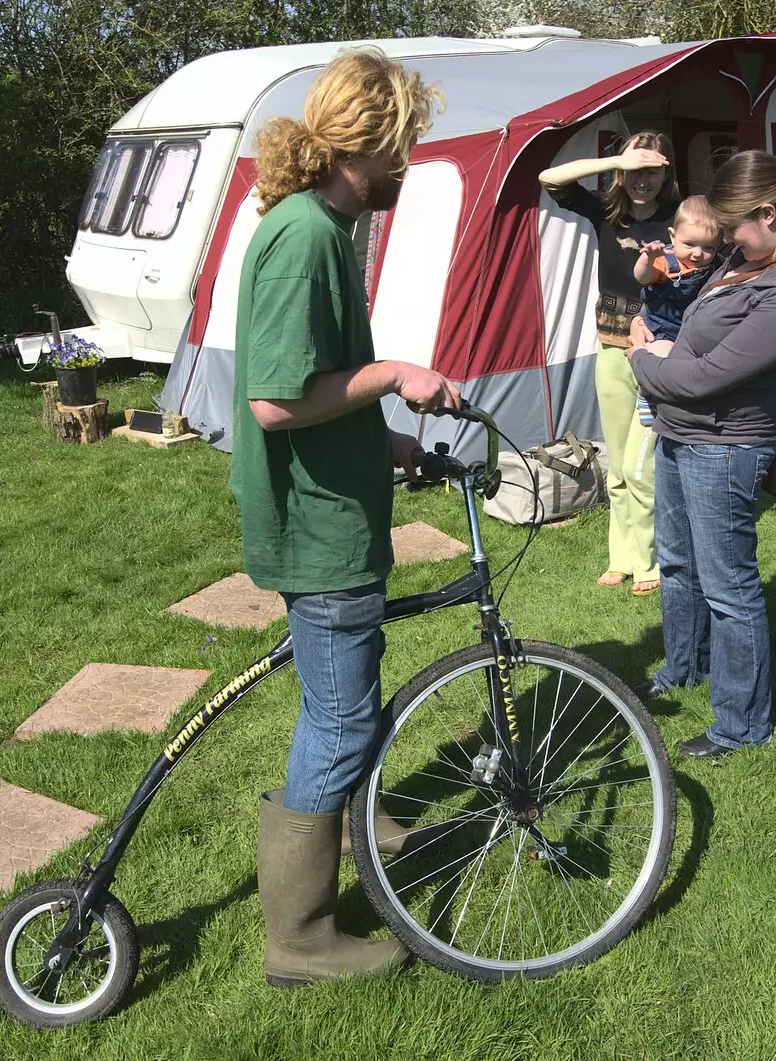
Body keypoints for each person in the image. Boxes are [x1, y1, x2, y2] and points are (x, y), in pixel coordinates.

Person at [229, 49, 460, 986]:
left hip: (334, 500)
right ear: (371, 142)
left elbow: (320, 386)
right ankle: (302, 939)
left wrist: (383, 438)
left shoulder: (325, 222)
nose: (412, 161)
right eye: (406, 142)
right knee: (338, 718)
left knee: (342, 703)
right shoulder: (308, 235)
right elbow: (277, 401)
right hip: (318, 530)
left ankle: (367, 826)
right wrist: (397, 374)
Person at [627, 150, 776, 760]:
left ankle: (742, 724)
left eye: (734, 225)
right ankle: (684, 667)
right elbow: (695, 355)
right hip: (681, 433)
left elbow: (704, 378)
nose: (724, 237)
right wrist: (665, 353)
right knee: (677, 562)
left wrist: (644, 357)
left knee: (729, 587)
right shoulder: (741, 264)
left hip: (725, 448)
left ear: (770, 215)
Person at [538, 131, 680, 596]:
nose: (642, 181)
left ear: (666, 171)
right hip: (610, 350)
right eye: (634, 171)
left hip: (658, 356)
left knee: (644, 466)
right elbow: (548, 177)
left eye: (652, 170)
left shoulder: (678, 220)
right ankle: (622, 556)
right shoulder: (606, 212)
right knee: (617, 463)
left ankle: (650, 562)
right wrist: (617, 160)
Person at [631, 194, 722, 427]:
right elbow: (643, 278)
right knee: (660, 359)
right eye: (689, 244)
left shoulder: (715, 266)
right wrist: (647, 259)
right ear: (673, 236)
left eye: (708, 247)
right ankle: (646, 394)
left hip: (691, 330)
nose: (697, 254)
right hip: (663, 328)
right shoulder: (666, 261)